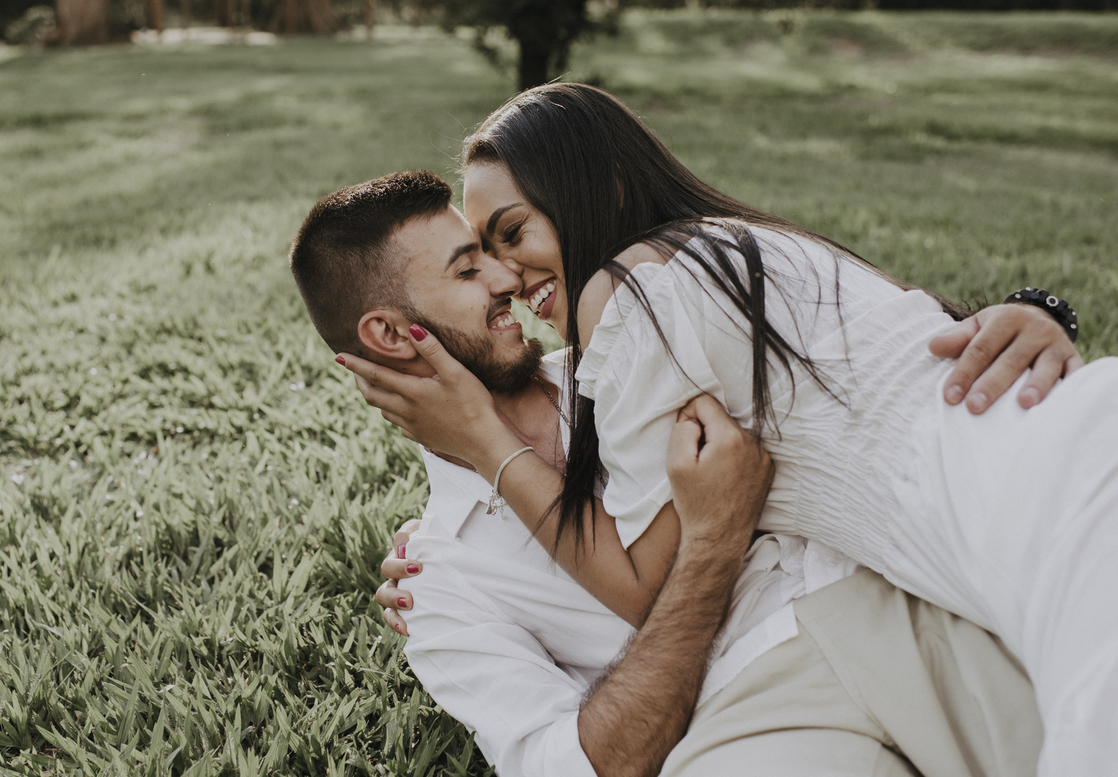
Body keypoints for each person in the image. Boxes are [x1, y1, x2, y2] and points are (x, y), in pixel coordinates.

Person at [335, 84, 1112, 777]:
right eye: (474, 264)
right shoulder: (442, 568)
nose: (507, 277)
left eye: (508, 237)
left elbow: (645, 584)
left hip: (1014, 532)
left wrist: (484, 440)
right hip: (797, 666)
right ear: (389, 334)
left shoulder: (626, 306)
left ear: (600, 189)